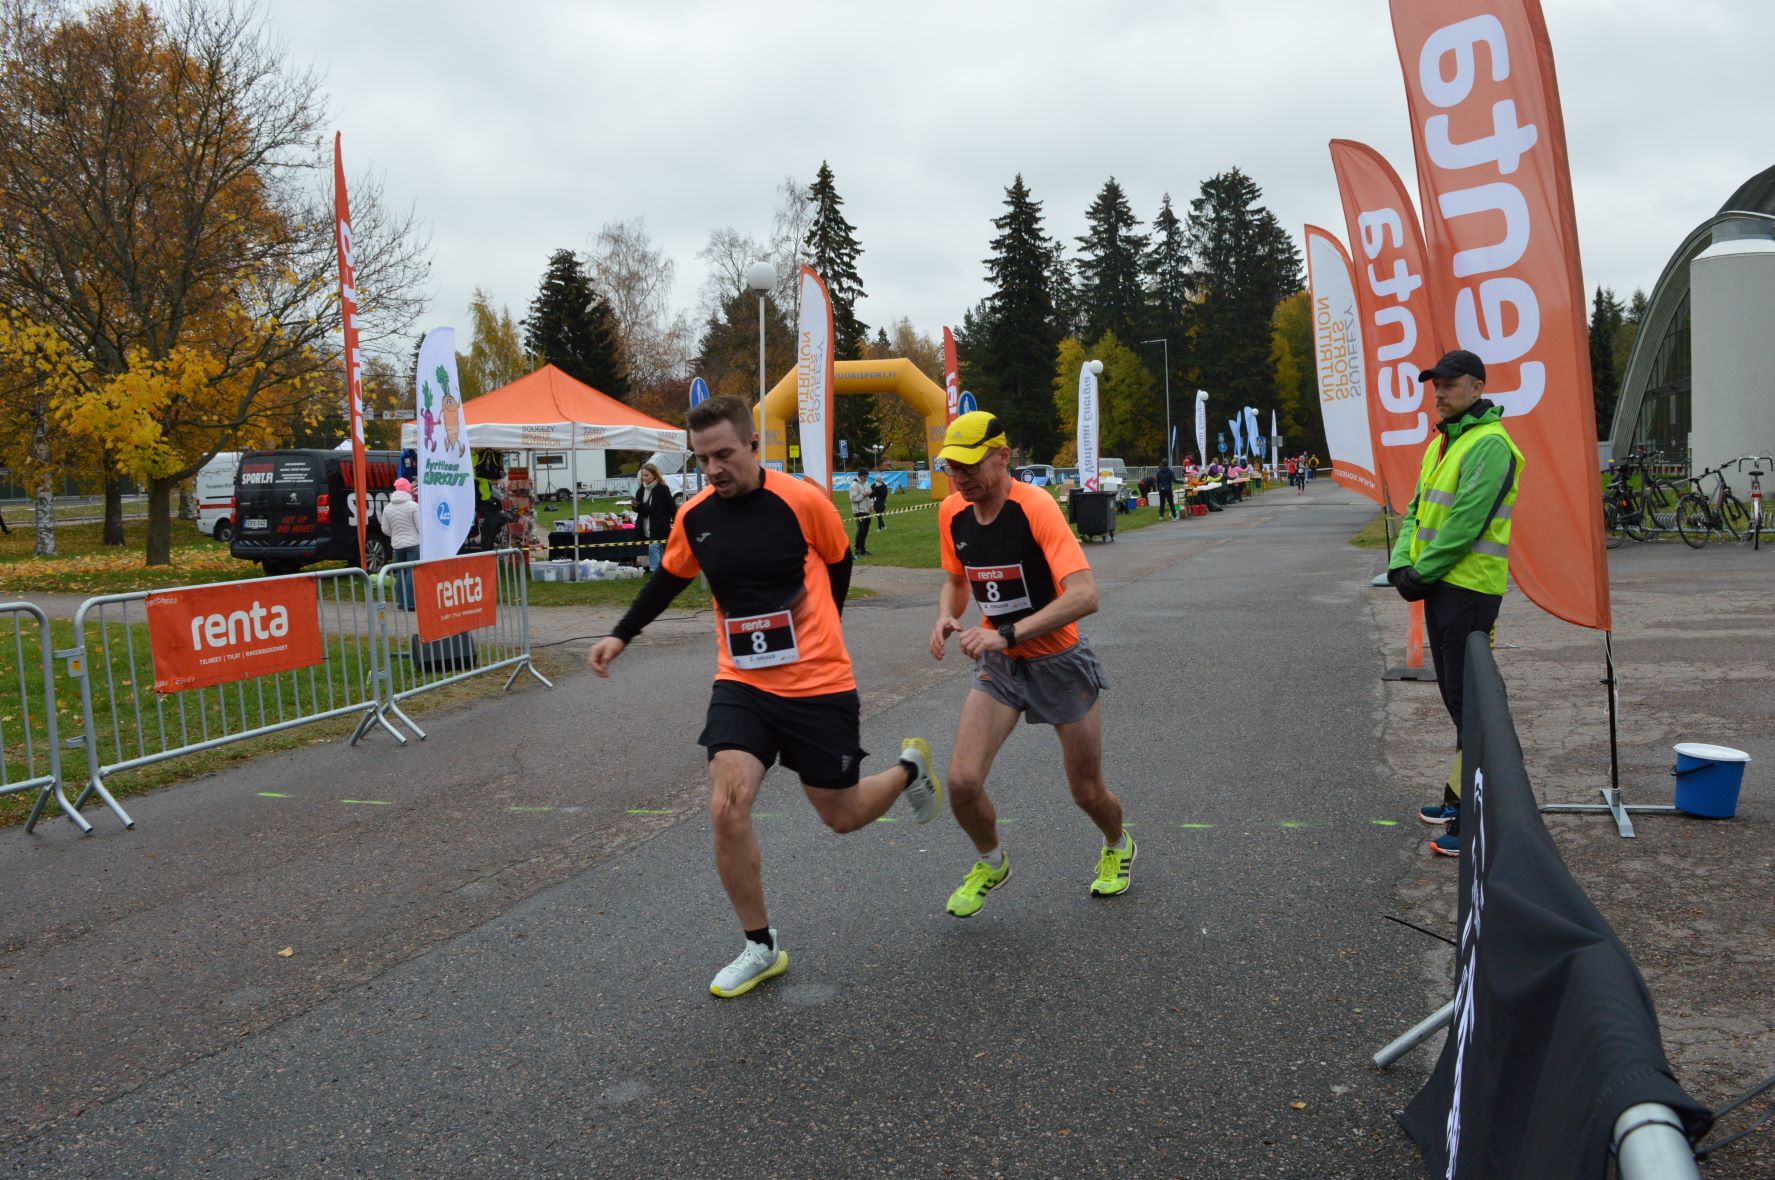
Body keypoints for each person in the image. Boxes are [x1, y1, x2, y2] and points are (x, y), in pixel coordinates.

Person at [586, 396, 941, 997]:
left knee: (842, 815)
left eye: (724, 454)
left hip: (819, 684)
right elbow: (670, 577)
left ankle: (909, 770)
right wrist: (621, 633)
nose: (714, 469)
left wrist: (822, 624)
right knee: (726, 805)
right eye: (703, 459)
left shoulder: (802, 501)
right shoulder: (694, 515)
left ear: (754, 445)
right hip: (742, 682)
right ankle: (760, 944)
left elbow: (838, 559)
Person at [927, 410, 1132, 918]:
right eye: (952, 468)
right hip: (1002, 668)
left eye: (971, 466)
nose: (961, 478)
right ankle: (991, 862)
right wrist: (945, 617)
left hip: (1059, 661)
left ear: (1003, 457)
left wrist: (1007, 633)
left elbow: (1085, 596)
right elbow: (956, 578)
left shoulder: (1036, 507)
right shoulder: (952, 511)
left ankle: (1117, 845)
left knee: (1086, 792)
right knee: (961, 783)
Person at [1387, 349, 1524, 859]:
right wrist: (1403, 564)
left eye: (1450, 384)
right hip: (1440, 588)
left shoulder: (1491, 444)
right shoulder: (1440, 443)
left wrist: (1422, 572)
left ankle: (1475, 821)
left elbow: (1466, 524)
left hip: (1470, 591)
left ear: (1477, 388)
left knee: (1472, 706)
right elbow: (1417, 509)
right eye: (1435, 386)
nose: (1440, 393)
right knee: (1456, 701)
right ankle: (1460, 799)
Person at [383, 478, 422, 609]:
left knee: (400, 572)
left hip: (397, 544)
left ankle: (401, 602)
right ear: (408, 489)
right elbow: (419, 527)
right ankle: (411, 603)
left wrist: (395, 535)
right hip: (413, 543)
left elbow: (385, 529)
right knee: (411, 572)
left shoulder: (388, 508)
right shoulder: (413, 506)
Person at [631, 462, 676, 574]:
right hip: (646, 524)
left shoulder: (663, 489)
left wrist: (676, 521)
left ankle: (655, 571)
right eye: (643, 475)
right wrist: (635, 506)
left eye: (647, 475)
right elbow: (640, 510)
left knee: (653, 546)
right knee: (657, 547)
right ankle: (662, 570)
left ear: (654, 475)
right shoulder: (640, 490)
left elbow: (671, 507)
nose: (644, 478)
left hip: (660, 524)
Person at [848, 468, 873, 557]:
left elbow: (870, 495)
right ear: (860, 476)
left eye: (866, 476)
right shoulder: (854, 485)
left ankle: (863, 550)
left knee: (865, 531)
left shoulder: (866, 483)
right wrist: (863, 495)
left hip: (867, 511)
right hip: (858, 512)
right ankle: (857, 550)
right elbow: (853, 499)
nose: (866, 478)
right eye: (864, 476)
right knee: (861, 531)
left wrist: (871, 505)